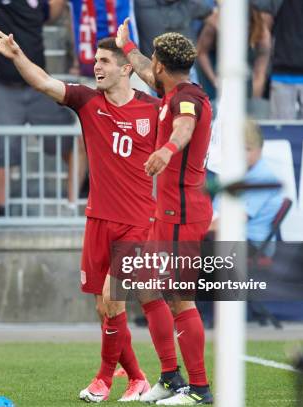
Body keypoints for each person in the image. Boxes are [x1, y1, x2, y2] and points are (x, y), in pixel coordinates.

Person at [0, 29, 160, 402]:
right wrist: (17, 55)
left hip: (136, 221)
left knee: (113, 299)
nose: (96, 66)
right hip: (98, 219)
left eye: (104, 61)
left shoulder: (152, 109)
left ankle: (102, 379)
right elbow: (45, 83)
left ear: (126, 68)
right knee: (103, 308)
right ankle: (138, 378)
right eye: (95, 60)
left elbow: (181, 120)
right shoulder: (87, 101)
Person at [117, 20, 214, 405]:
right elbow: (142, 68)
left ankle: (201, 389)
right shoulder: (172, 87)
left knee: (179, 295)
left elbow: (185, 127)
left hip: (183, 210)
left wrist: (167, 150)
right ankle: (171, 377)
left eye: (152, 60)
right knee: (145, 284)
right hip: (167, 209)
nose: (149, 66)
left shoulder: (185, 99)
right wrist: (128, 47)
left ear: (162, 65)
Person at [0, 0, 74, 216]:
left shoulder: (37, 3)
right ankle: (0, 208)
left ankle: (78, 193)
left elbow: (52, 11)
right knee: (1, 149)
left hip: (38, 84)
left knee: (69, 140)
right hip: (1, 85)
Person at [211, 121, 284, 254]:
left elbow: (233, 219)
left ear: (260, 149)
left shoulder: (264, 178)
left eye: (248, 149)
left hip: (252, 245)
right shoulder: (237, 170)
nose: (242, 154)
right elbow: (217, 209)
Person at [196, 5, 271, 99]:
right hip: (213, 58)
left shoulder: (262, 34)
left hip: (244, 60)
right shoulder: (215, 22)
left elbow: (259, 74)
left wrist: (254, 101)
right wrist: (215, 81)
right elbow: (201, 52)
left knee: (246, 97)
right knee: (213, 102)